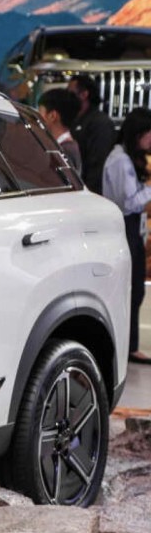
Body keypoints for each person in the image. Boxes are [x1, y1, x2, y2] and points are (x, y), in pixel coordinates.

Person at [101, 107, 151, 364]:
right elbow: (130, 202)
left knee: (136, 290)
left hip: (131, 227)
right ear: (138, 133)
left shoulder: (125, 158)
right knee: (131, 290)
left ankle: (129, 346)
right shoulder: (121, 160)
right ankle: (128, 348)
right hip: (126, 225)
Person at [69, 74, 116, 193]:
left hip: (90, 191)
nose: (67, 97)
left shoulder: (100, 123)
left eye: (70, 93)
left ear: (84, 94)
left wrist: (87, 194)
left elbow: (98, 165)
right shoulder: (74, 120)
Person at [38, 88, 82, 174]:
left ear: (52, 116)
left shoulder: (65, 150)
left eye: (40, 112)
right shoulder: (65, 147)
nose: (37, 117)